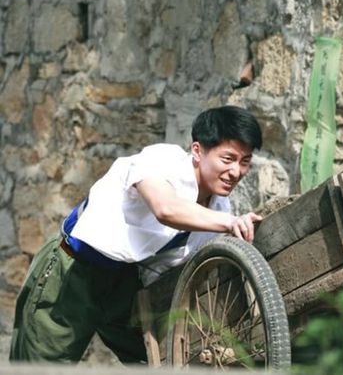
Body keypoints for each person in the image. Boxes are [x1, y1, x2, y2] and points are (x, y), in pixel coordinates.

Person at [9, 105, 264, 363]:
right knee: (43, 364)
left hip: (127, 284)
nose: (236, 172)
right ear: (198, 151)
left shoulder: (220, 209)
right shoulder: (163, 160)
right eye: (228, 159)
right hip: (75, 269)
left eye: (245, 162)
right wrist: (230, 222)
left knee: (156, 359)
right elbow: (165, 209)